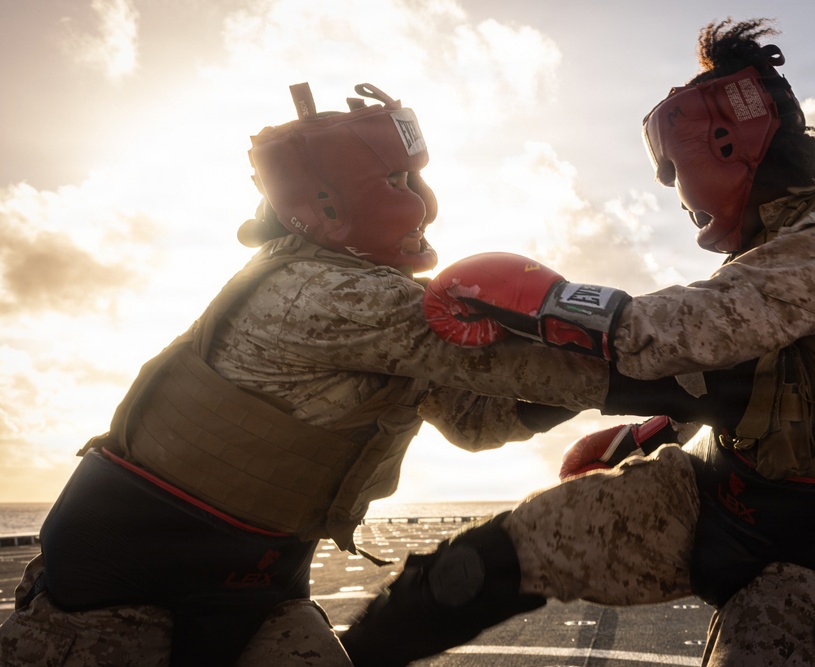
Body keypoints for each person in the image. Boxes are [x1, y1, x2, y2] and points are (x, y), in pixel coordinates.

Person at [339, 19, 815, 667]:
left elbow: (698, 328)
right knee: (475, 568)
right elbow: (759, 378)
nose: (676, 190)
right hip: (718, 494)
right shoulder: (779, 240)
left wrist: (550, 303)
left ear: (723, 142)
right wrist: (654, 434)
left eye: (676, 169)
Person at [0, 81, 642, 666]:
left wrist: (605, 400)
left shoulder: (386, 304)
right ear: (329, 203)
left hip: (259, 582)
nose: (421, 202)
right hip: (118, 589)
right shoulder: (322, 291)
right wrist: (667, 372)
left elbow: (474, 420)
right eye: (397, 180)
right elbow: (526, 364)